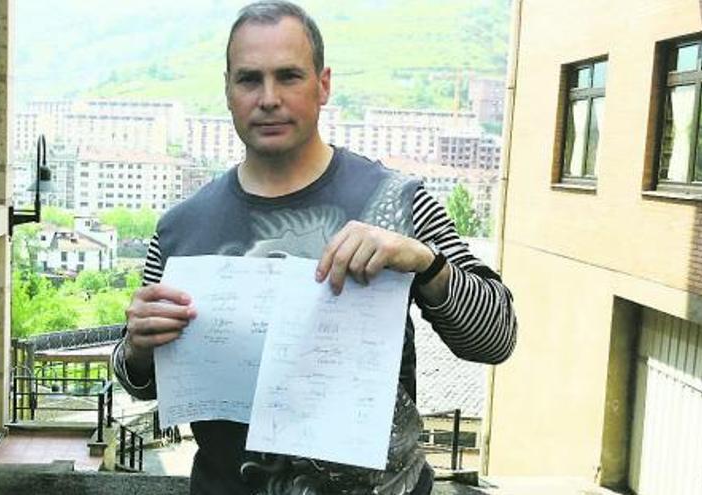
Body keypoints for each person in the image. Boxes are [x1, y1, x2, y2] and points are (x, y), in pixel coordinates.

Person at [112, 2, 517, 494]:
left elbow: (496, 339)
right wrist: (135, 347)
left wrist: (426, 263)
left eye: (288, 77)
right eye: (249, 80)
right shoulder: (182, 228)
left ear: (323, 84)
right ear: (227, 89)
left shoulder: (398, 204)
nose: (268, 98)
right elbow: (143, 382)